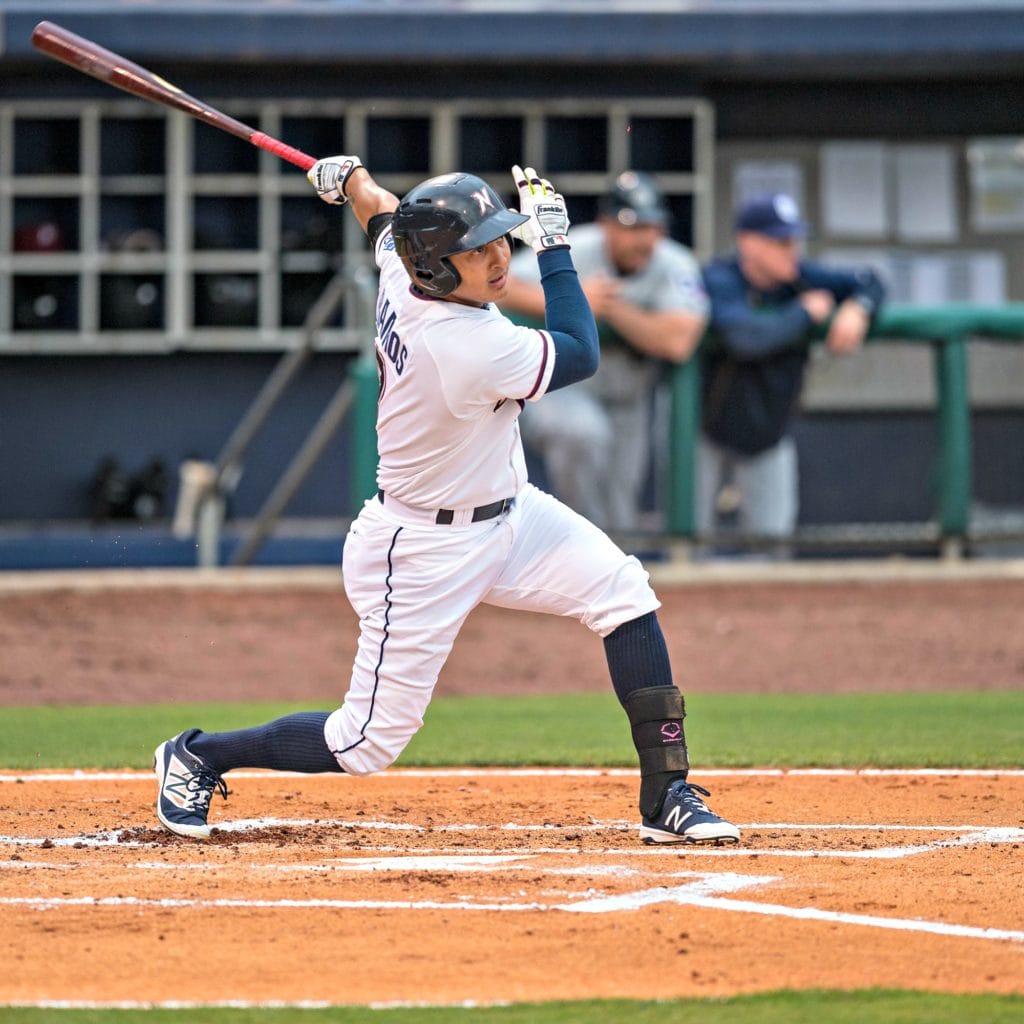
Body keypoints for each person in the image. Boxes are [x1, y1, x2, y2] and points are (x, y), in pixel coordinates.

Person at [152, 156, 738, 847]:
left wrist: (354, 181)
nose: (497, 259)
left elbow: (381, 213)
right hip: (422, 547)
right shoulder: (469, 344)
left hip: (511, 513)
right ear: (436, 264)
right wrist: (552, 248)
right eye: (478, 249)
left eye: (500, 241)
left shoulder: (406, 271)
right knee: (364, 742)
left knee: (624, 592)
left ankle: (665, 793)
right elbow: (581, 350)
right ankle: (199, 754)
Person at [500, 171, 708, 533]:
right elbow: (500, 286)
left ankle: (600, 566)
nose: (642, 238)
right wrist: (571, 298)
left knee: (620, 514)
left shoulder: (675, 264)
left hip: (628, 397)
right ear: (606, 225)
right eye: (630, 227)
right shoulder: (575, 247)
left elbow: (678, 341)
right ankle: (574, 548)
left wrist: (612, 309)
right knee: (582, 435)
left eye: (650, 226)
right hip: (566, 388)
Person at [698, 193, 886, 548]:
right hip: (705, 429)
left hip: (768, 433)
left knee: (772, 547)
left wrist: (858, 308)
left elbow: (871, 281)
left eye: (794, 240)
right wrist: (802, 313)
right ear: (747, 242)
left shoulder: (801, 277)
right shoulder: (720, 276)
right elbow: (744, 338)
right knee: (688, 544)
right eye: (779, 241)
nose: (791, 250)